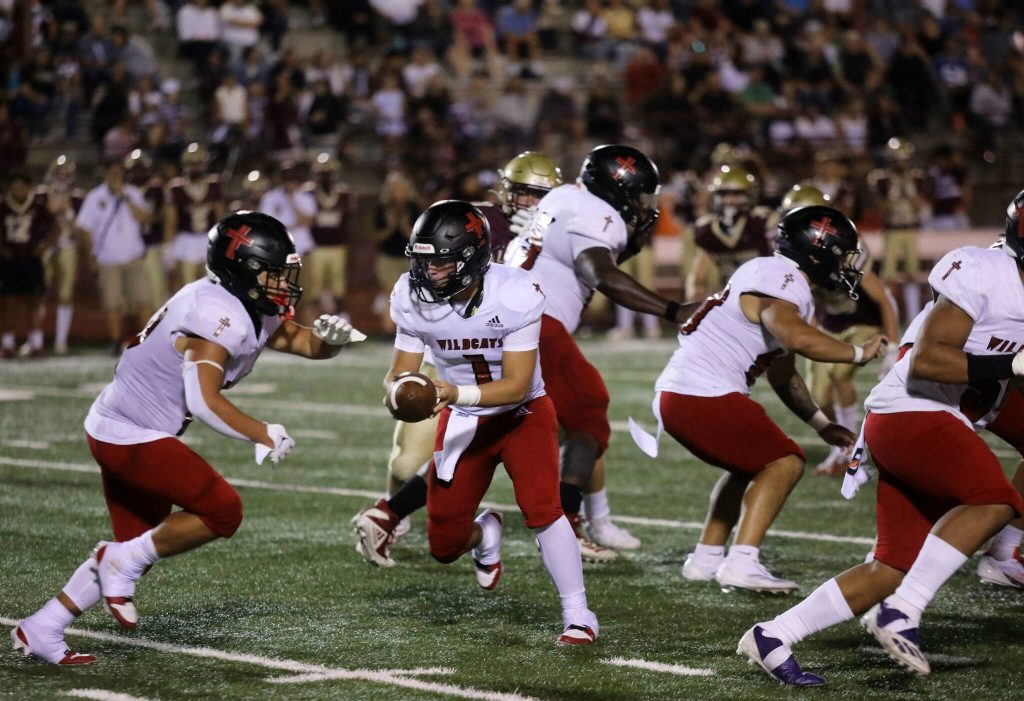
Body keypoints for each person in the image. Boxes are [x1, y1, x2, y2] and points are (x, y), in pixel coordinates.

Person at [11, 211, 366, 665]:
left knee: (136, 546)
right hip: (130, 433)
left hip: (124, 425)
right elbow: (202, 400)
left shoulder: (244, 304)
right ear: (243, 272)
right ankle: (115, 564)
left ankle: (43, 626)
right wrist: (261, 433)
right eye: (273, 273)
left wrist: (329, 341)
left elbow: (299, 342)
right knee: (222, 512)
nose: (283, 283)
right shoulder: (218, 317)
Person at [737, 201, 1024, 685]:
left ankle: (774, 634)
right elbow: (928, 363)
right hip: (914, 408)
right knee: (994, 500)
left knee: (891, 565)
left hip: (933, 414)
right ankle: (907, 609)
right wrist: (1012, 366)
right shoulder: (986, 271)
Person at [632, 205, 887, 594]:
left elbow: (784, 374)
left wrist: (823, 425)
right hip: (702, 393)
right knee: (784, 461)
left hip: (682, 393)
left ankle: (706, 559)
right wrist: (856, 353)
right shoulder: (783, 278)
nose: (845, 267)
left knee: (748, 465)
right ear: (817, 255)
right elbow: (797, 338)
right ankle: (743, 562)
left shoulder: (774, 275)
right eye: (840, 256)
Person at [380, 199, 598, 645]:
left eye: (440, 263)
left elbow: (517, 385)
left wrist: (449, 391)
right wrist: (400, 393)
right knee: (443, 547)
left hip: (522, 415)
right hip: (462, 418)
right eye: (423, 262)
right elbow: (400, 371)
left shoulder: (515, 292)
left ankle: (578, 614)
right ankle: (485, 533)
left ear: (471, 258)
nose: (428, 273)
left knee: (543, 508)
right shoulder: (410, 296)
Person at [352, 151, 564, 565]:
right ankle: (393, 514)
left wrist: (541, 247)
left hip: (507, 353)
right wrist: (401, 389)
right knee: (408, 460)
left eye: (538, 194)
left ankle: (582, 516)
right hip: (448, 354)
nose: (527, 202)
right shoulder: (468, 220)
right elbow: (401, 366)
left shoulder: (557, 230)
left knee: (569, 424)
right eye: (520, 192)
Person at [499, 143, 686, 561]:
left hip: (507, 320)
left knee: (493, 431)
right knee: (588, 413)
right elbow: (598, 273)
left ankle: (389, 512)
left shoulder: (564, 199)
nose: (644, 208)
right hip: (535, 323)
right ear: (616, 191)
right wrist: (673, 309)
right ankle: (567, 526)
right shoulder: (595, 211)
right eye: (639, 197)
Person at [781, 184, 900, 476]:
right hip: (828, 323)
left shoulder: (847, 248)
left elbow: (883, 298)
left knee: (839, 374)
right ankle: (843, 449)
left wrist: (894, 348)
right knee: (818, 394)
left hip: (863, 321)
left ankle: (856, 453)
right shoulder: (789, 254)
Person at [75, 158, 153, 355]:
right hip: (106, 259)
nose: (115, 176)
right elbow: (85, 229)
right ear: (105, 174)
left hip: (133, 256)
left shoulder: (133, 193)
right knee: (112, 303)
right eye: (111, 172)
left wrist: (124, 197)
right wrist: (90, 257)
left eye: (118, 173)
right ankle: (115, 341)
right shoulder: (95, 197)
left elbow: (145, 218)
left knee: (143, 301)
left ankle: (145, 342)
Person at [687, 164, 775, 300]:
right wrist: (695, 289)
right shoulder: (709, 229)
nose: (729, 200)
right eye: (724, 195)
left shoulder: (763, 222)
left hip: (765, 296)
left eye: (736, 195)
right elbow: (697, 275)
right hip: (728, 298)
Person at [0, 171, 57, 358]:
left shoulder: (37, 206)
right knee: (7, 302)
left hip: (31, 260)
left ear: (28, 188)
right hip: (9, 262)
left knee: (34, 302)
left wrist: (44, 247)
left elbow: (56, 228)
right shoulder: (3, 207)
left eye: (21, 187)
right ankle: (8, 344)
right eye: (14, 187)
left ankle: (36, 342)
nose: (18, 191)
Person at [166, 143, 226, 288]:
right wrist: (169, 248)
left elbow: (220, 216)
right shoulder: (176, 187)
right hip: (186, 240)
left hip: (208, 238)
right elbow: (171, 220)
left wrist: (222, 243)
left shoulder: (214, 184)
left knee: (212, 287)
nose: (194, 167)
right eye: (191, 164)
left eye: (198, 163)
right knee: (188, 287)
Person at [42, 155, 85, 356]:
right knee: (38, 293)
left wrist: (67, 212)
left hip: (68, 246)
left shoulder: (76, 198)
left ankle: (61, 341)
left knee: (66, 296)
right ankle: (36, 339)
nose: (61, 177)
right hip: (46, 248)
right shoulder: (42, 195)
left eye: (64, 173)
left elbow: (80, 231)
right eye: (58, 173)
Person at [305, 152, 353, 318]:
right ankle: (314, 325)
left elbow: (348, 219)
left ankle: (342, 324)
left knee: (338, 288)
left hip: (337, 246)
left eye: (329, 172)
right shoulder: (308, 193)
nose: (326, 176)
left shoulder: (343, 193)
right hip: (316, 247)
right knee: (314, 289)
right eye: (322, 172)